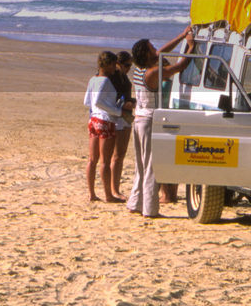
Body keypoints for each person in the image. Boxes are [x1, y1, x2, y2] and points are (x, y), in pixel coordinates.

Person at [126, 27, 194, 217]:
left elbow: (160, 52)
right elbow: (180, 67)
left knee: (141, 166)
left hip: (139, 118)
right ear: (147, 55)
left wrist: (181, 35)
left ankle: (135, 203)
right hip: (149, 120)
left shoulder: (139, 70)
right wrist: (190, 47)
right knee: (151, 166)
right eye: (151, 48)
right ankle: (149, 208)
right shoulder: (152, 73)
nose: (156, 50)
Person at [83, 51, 124, 203]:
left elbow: (88, 101)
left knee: (92, 159)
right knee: (105, 161)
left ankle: (92, 193)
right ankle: (108, 195)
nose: (115, 67)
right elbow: (99, 101)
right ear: (107, 65)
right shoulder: (106, 81)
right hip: (105, 120)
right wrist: (117, 110)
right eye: (113, 64)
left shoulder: (93, 79)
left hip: (93, 119)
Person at [110, 51, 135, 200]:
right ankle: (114, 189)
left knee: (120, 155)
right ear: (118, 64)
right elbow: (113, 99)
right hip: (119, 116)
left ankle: (115, 188)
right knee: (117, 156)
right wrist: (126, 104)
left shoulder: (122, 77)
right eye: (126, 65)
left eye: (130, 65)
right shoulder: (113, 78)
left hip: (125, 116)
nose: (128, 68)